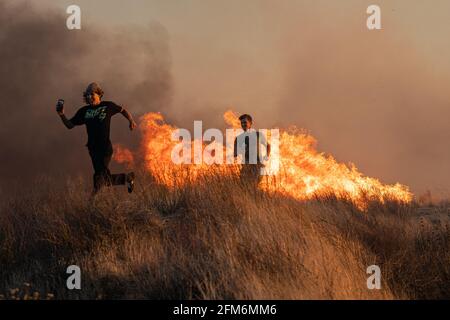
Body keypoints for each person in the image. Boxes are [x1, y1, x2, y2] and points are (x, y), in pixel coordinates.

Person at [56, 82, 137, 194]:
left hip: (105, 148)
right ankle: (126, 179)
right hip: (93, 149)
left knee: (100, 177)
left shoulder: (107, 106)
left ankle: (93, 201)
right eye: (87, 95)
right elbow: (70, 125)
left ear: (99, 94)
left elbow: (122, 110)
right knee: (101, 179)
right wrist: (61, 115)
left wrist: (131, 120)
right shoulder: (84, 111)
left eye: (92, 94)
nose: (89, 97)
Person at [233, 114, 270, 187]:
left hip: (258, 165)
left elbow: (268, 145)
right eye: (242, 123)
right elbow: (235, 154)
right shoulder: (239, 138)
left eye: (245, 122)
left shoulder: (258, 135)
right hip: (246, 165)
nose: (243, 124)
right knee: (244, 186)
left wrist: (267, 156)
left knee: (254, 186)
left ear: (250, 123)